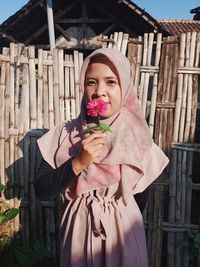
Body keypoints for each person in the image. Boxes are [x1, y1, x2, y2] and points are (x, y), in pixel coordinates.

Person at [34, 48, 169, 267]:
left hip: (124, 237)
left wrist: (114, 217)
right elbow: (41, 189)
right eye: (91, 82)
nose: (100, 91)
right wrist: (78, 162)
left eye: (111, 82)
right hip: (78, 235)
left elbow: (140, 198)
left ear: (125, 87)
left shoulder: (139, 141)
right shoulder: (66, 133)